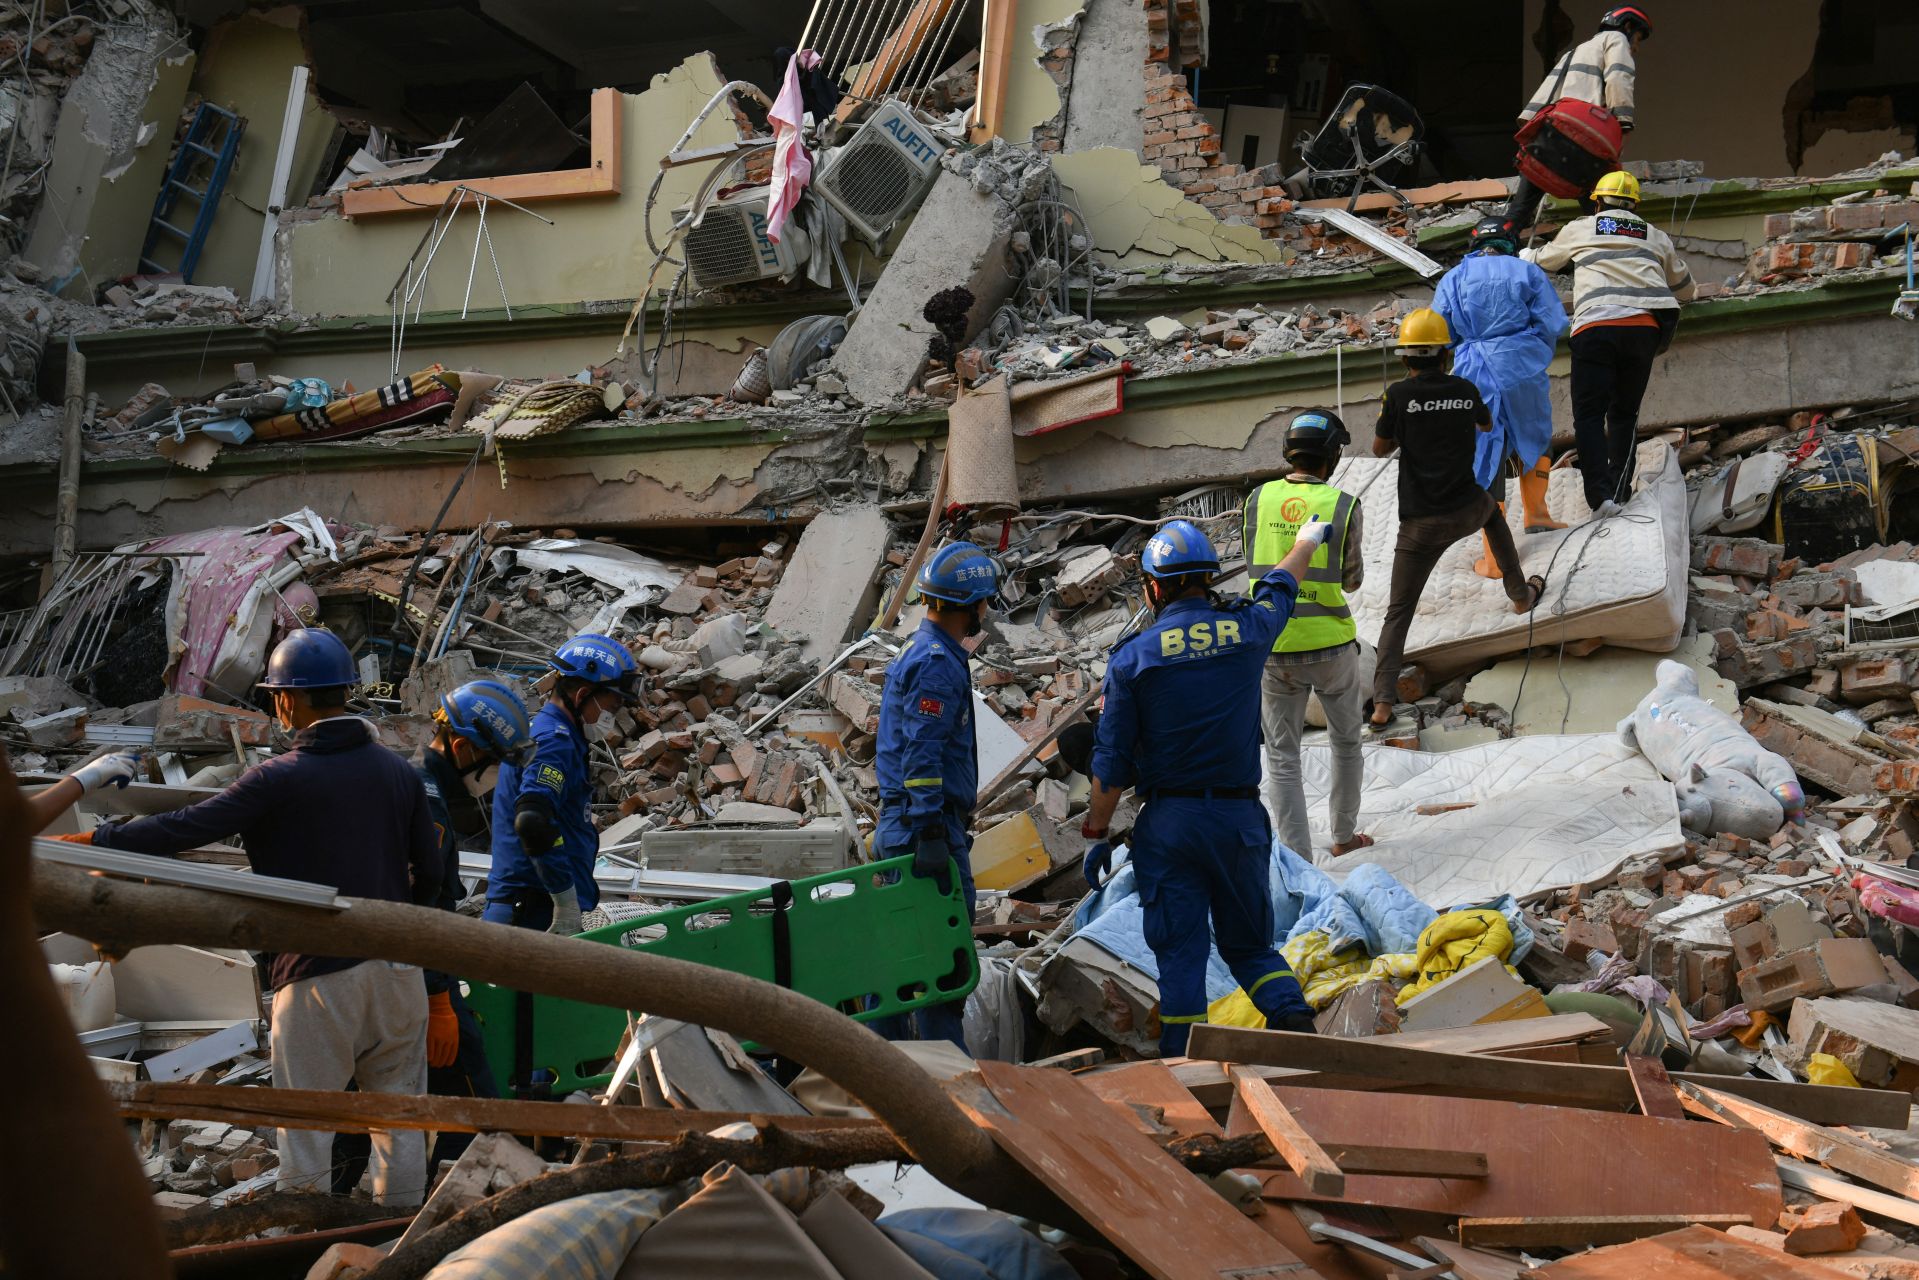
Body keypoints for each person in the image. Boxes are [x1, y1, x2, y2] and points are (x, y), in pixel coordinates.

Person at [82, 628, 441, 1207]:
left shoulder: (279, 778)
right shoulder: (398, 773)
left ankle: (301, 1245)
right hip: (400, 972)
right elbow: (434, 875)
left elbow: (188, 826)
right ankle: (397, 1239)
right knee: (399, 1119)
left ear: (286, 700)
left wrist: (97, 840)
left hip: (319, 976)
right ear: (345, 693)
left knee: (304, 1128)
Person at [1081, 518, 1329, 1056]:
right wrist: (1307, 538)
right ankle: (1304, 1040)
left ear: (1153, 586)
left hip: (1170, 828)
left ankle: (1181, 1072)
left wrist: (1095, 832)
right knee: (1252, 949)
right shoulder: (1248, 632)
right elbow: (1279, 586)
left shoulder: (1133, 659)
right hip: (1239, 821)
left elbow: (1111, 764)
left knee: (1181, 957)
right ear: (1208, 580)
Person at [1370, 309, 1544, 729]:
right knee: (1495, 519)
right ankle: (1520, 594)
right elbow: (1486, 425)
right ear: (1446, 355)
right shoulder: (1465, 390)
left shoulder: (1396, 395)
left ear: (1406, 358)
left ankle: (1381, 704)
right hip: (1467, 507)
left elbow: (1379, 449)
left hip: (1420, 525)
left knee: (1399, 612)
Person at [874, 540, 1001, 1049]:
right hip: (922, 828)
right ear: (968, 605)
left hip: (909, 823)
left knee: (900, 964)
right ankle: (946, 1073)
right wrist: (928, 828)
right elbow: (921, 753)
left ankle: (890, 1068)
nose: (985, 612)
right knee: (941, 962)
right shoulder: (936, 662)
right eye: (983, 602)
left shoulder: (928, 651)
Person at [1524, 169, 1694, 516]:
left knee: (1588, 416)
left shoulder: (1582, 228)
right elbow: (1686, 290)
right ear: (1634, 205)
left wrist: (1525, 256)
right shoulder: (1655, 235)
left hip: (1596, 328)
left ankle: (1599, 500)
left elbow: (1544, 262)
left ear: (1597, 202)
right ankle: (1619, 492)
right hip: (1645, 329)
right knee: (1624, 414)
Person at [1243, 410, 1371, 859]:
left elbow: (1254, 568)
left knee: (1282, 757)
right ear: (1333, 455)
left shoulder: (1256, 499)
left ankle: (1296, 857)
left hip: (1272, 643)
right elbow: (1351, 580)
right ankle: (1343, 837)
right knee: (1346, 742)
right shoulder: (1343, 504)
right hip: (1332, 644)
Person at [416, 680, 530, 1158]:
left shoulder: (423, 790)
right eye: (494, 763)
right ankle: (450, 1209)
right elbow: (423, 911)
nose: (496, 776)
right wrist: (439, 999)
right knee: (474, 1106)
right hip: (417, 980)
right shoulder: (427, 805)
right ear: (461, 747)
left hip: (408, 977)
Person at [1433, 215, 1572, 579]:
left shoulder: (1453, 278)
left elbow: (1440, 333)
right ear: (1510, 242)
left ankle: (1494, 559)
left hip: (1474, 370)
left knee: (1485, 451)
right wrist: (1529, 350)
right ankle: (1538, 514)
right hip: (1522, 366)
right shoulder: (1526, 272)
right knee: (1535, 431)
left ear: (1474, 243)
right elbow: (1553, 323)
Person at [483, 633, 639, 935]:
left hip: (535, 907)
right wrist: (565, 901)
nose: (613, 716)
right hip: (533, 912)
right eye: (612, 706)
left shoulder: (557, 734)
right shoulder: (554, 741)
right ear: (581, 696)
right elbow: (532, 821)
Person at [1507, 5, 1652, 228]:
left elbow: (1540, 101)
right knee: (1601, 212)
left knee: (1518, 212)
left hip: (1548, 136)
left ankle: (1495, 247)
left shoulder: (1576, 51)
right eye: (1639, 39)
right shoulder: (1616, 39)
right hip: (1581, 136)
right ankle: (1609, 251)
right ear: (1629, 26)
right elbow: (1618, 79)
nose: (1637, 47)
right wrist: (1624, 124)